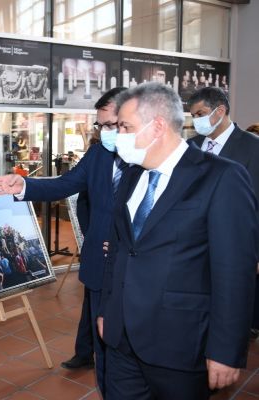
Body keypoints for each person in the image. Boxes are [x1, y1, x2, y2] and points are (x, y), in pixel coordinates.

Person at [97, 82, 257, 398]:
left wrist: (225, 349)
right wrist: (107, 309)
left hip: (180, 344)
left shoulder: (221, 177)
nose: (119, 134)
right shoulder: (132, 173)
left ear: (157, 126)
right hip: (121, 338)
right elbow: (120, 249)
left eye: (126, 126)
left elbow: (234, 272)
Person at [0, 87, 128, 394]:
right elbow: (65, 184)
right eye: (100, 125)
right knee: (103, 350)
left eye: (110, 125)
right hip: (99, 266)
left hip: (136, 271)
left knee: (128, 351)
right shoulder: (98, 154)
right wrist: (22, 184)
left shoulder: (151, 161)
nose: (103, 132)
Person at [187, 87, 259, 339]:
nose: (196, 120)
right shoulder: (191, 146)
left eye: (201, 113)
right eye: (193, 115)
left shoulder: (253, 147)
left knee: (229, 313)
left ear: (220, 111)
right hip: (192, 246)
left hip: (233, 244)